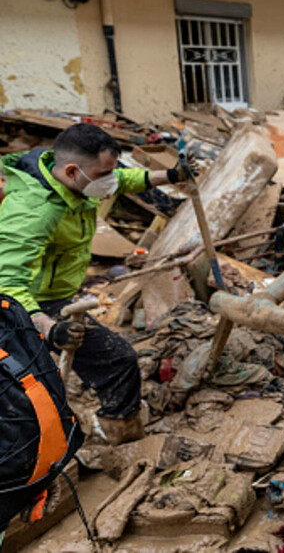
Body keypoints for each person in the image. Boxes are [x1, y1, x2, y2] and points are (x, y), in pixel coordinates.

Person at [0, 124, 191, 444]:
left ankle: (118, 435)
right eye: (104, 173)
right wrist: (48, 328)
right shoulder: (35, 211)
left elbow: (121, 181)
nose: (110, 179)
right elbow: (6, 282)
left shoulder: (74, 181)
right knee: (32, 395)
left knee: (118, 361)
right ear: (73, 171)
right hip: (19, 306)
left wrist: (169, 176)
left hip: (54, 297)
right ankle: (39, 463)